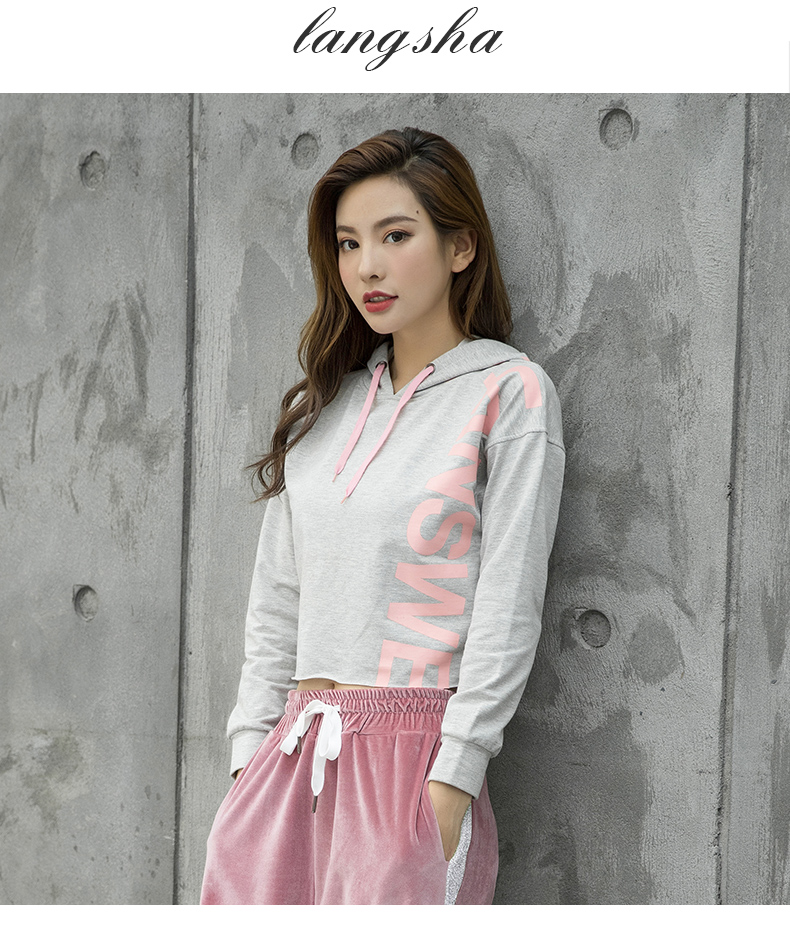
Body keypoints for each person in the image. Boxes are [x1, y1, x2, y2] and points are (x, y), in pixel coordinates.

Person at [200, 127, 565, 905]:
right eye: (348, 243)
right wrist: (246, 764)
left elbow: (508, 603)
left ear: (460, 247)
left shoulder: (509, 393)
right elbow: (277, 601)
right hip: (289, 758)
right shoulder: (326, 409)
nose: (367, 265)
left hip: (412, 767)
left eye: (396, 236)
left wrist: (451, 784)